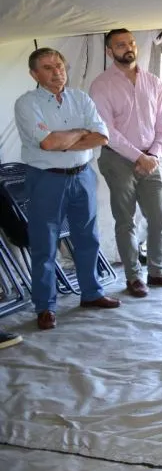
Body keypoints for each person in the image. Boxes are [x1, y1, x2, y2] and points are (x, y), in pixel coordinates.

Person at [14, 47, 122, 330]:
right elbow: (47, 143)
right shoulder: (27, 104)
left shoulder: (81, 98)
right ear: (34, 74)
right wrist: (80, 132)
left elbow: (101, 137)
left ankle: (91, 292)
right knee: (45, 243)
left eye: (59, 66)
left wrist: (66, 139)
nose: (56, 72)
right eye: (47, 68)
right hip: (45, 179)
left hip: (83, 175)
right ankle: (45, 306)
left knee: (88, 237)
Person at [89, 28, 162, 298]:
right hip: (118, 159)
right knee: (125, 220)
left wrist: (152, 155)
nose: (127, 47)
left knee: (159, 216)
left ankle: (155, 272)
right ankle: (133, 277)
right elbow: (106, 131)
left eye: (130, 42)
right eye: (120, 44)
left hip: (151, 159)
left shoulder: (153, 82)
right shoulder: (101, 84)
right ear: (109, 51)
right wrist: (138, 157)